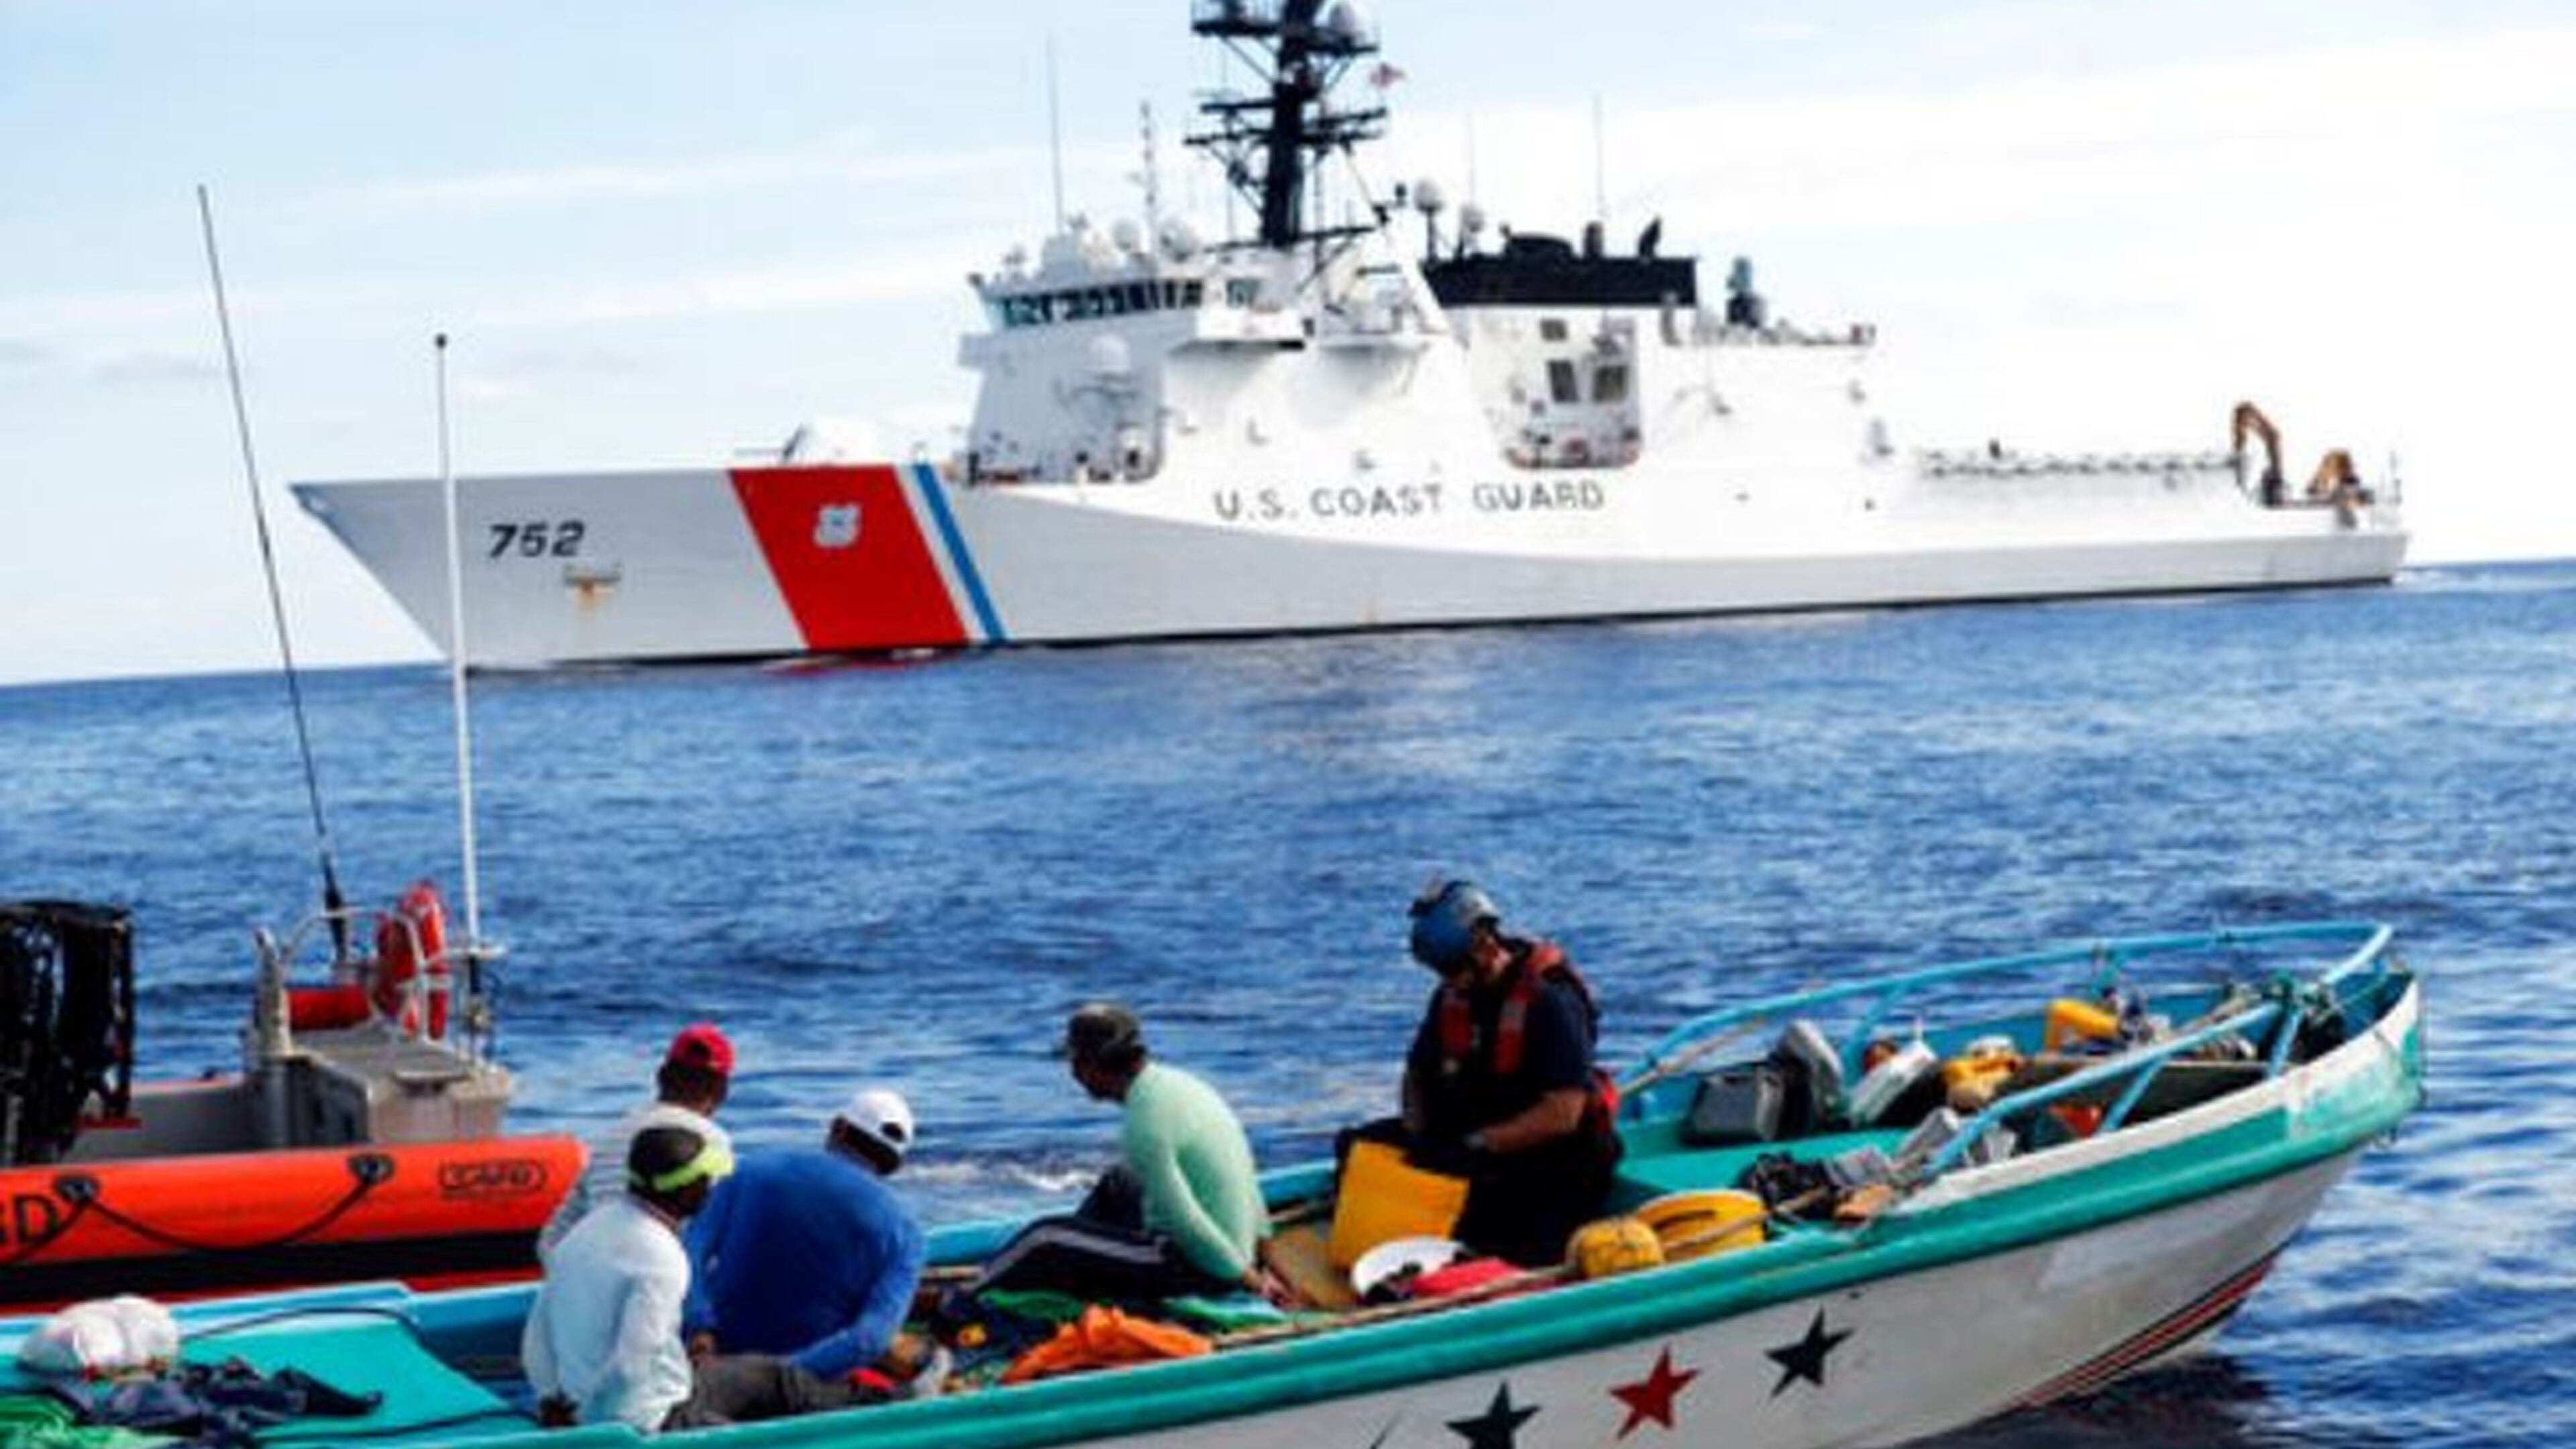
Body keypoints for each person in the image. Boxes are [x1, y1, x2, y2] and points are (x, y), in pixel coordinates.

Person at [969, 1004, 1281, 1304]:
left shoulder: (1145, 1124)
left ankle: (964, 1296)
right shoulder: (1182, 1085)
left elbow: (1184, 1221)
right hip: (1238, 1250)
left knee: (1045, 1237)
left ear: (1088, 1066)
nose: (1073, 1073)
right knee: (1119, 1182)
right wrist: (1270, 1262)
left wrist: (1249, 1280)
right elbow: (1249, 1184)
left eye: (1073, 1063)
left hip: (1198, 1267)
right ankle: (1062, 1269)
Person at [1394, 879, 1621, 1267]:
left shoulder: (1549, 1001)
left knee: (1518, 1255)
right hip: (1488, 1150)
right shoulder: (1452, 996)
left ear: (1484, 946)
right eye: (1439, 971)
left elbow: (1563, 1114)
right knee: (1363, 1146)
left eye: (1453, 968)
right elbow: (1418, 1073)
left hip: (1557, 1159)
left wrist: (1478, 1144)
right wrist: (1421, 1137)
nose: (1448, 980)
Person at [682, 1087, 929, 1391]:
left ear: (838, 1127)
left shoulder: (745, 1171)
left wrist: (699, 1327)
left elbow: (689, 1254)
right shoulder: (906, 1234)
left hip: (713, 1359)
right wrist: (775, 1376)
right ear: (896, 1166)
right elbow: (869, 1339)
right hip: (799, 1386)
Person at [523, 1124, 731, 1433]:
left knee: (756, 1376)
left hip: (572, 1406)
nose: (711, 1185)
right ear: (684, 1188)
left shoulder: (582, 1232)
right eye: (704, 1177)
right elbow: (631, 1365)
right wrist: (587, 1422)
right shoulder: (662, 1258)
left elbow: (536, 1338)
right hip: (649, 1418)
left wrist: (550, 1400)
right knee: (778, 1386)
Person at [541, 1022, 736, 1259]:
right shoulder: (712, 1142)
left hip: (599, 1267)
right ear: (722, 1091)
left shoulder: (609, 1138)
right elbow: (720, 1232)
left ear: (660, 1077)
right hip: (665, 1271)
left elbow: (552, 1239)